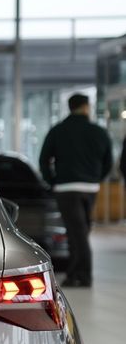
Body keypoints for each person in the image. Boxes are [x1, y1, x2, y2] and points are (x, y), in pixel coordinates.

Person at [39, 94, 113, 288]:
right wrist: (96, 178)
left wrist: (52, 181)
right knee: (80, 231)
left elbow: (44, 159)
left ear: (70, 107)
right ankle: (78, 274)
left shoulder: (58, 131)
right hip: (90, 188)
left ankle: (80, 275)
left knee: (76, 232)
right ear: (86, 107)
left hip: (66, 188)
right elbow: (108, 162)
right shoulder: (99, 132)